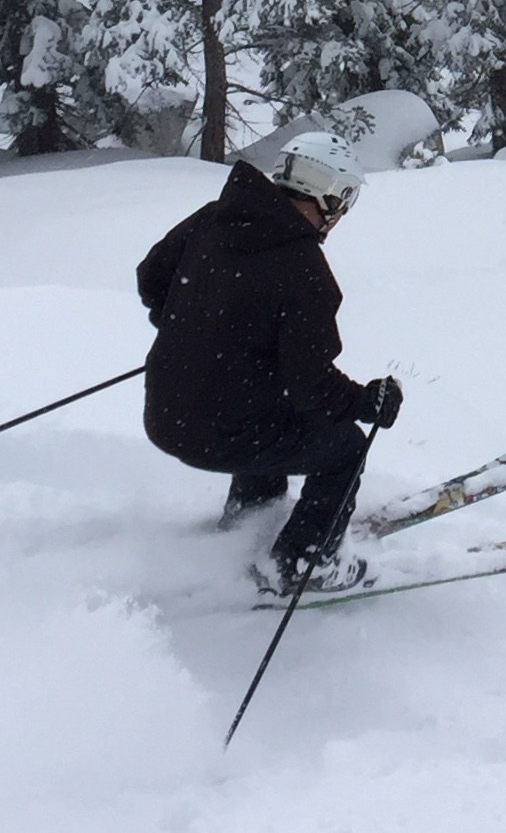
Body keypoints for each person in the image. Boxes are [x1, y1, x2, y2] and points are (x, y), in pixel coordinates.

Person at [135, 132, 403, 595]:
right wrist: (368, 402)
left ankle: (248, 525)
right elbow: (313, 389)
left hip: (165, 414)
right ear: (329, 194)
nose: (342, 214)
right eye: (345, 199)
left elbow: (151, 277)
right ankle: (302, 564)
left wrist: (196, 330)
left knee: (266, 410)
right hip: (216, 432)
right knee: (345, 449)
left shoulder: (217, 217)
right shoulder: (304, 271)